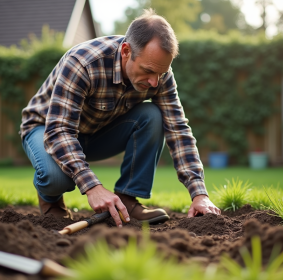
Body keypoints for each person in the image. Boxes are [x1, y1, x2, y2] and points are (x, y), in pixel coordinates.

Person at [20, 9, 221, 228]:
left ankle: (127, 199)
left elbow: (178, 129)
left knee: (153, 116)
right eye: (147, 71)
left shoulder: (159, 74)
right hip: (45, 129)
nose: (154, 82)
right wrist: (93, 187)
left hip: (96, 132)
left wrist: (198, 193)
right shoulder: (83, 63)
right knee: (57, 178)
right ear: (126, 51)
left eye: (160, 74)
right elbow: (59, 132)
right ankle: (51, 201)